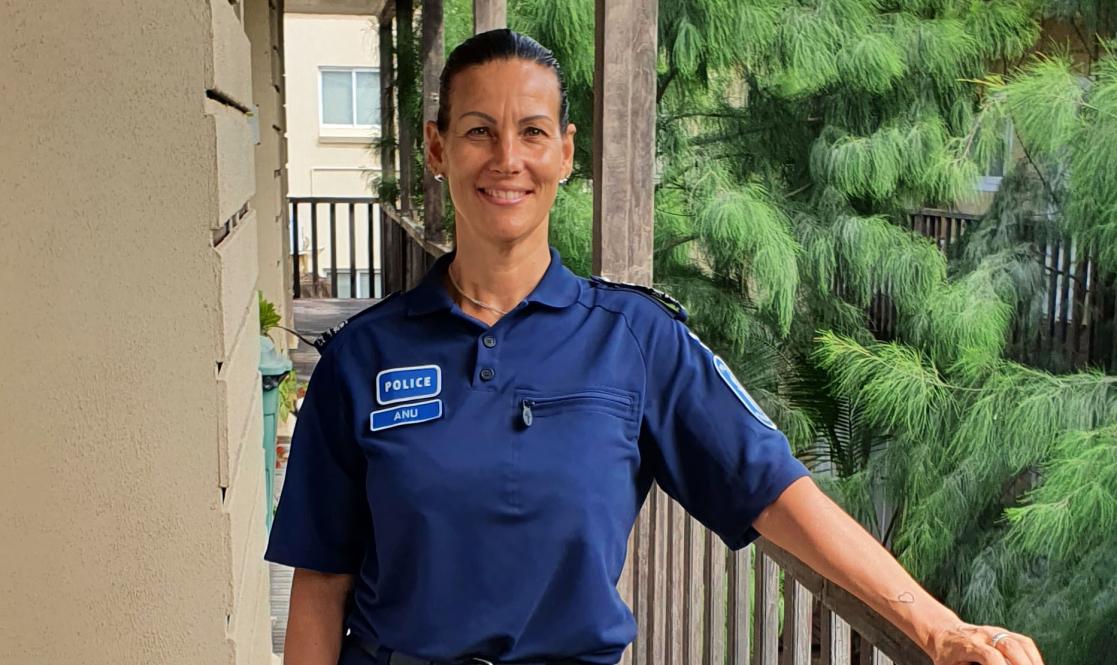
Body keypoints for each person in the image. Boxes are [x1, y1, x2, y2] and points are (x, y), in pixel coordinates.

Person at [265, 29, 1045, 665]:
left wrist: (936, 626)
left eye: (532, 132)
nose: (507, 158)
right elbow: (321, 583)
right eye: (478, 131)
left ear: (565, 153)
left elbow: (775, 488)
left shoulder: (634, 340)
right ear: (437, 149)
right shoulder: (360, 359)